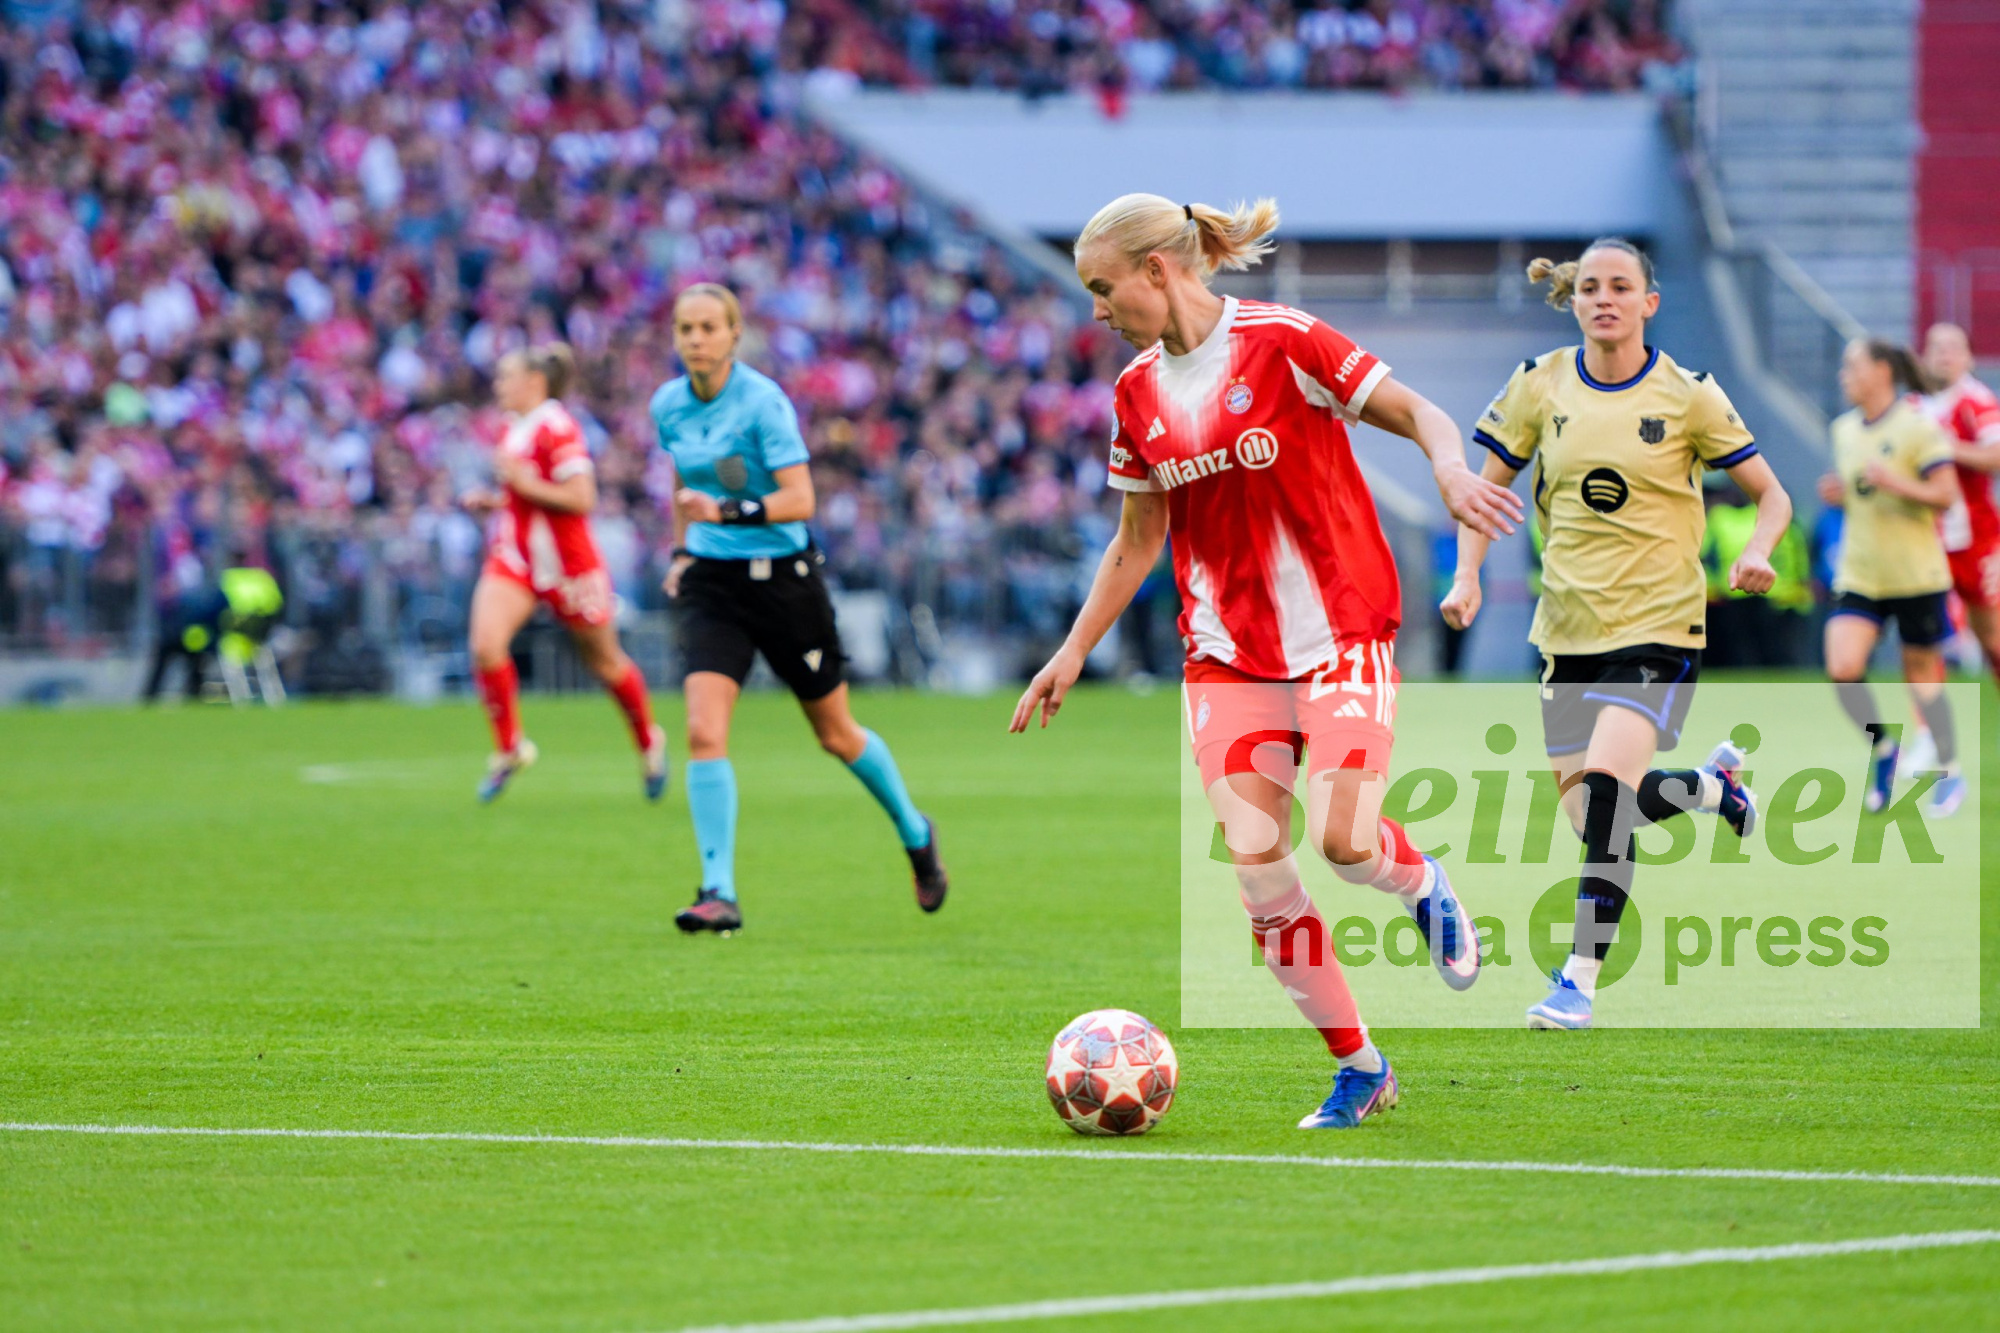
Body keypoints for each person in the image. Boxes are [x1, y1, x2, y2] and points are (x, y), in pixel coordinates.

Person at [1011, 194, 1523, 1131]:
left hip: (1340, 636)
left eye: (1102, 287)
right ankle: (1361, 1067)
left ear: (1157, 270)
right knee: (1258, 866)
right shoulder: (1135, 394)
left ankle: (1419, 879)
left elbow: (1419, 411)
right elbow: (1138, 538)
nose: (1096, 308)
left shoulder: (1284, 341)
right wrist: (1073, 650)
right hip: (1225, 659)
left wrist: (1450, 470)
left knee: (1344, 840)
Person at [1442, 237, 1792, 1032]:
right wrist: (1466, 576)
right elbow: (1483, 494)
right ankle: (1711, 788)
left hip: (1661, 626)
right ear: (1574, 300)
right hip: (1567, 632)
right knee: (1593, 815)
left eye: (1621, 287)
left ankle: (1578, 979)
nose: (1605, 298)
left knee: (1606, 795)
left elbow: (1773, 496)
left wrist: (1759, 551)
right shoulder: (1539, 383)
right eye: (1591, 287)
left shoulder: (1689, 395)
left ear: (1649, 302)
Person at [653, 284, 947, 934]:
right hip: (713, 583)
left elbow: (800, 499)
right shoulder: (667, 404)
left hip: (784, 583)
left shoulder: (762, 403)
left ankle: (915, 831)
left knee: (835, 733)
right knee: (703, 731)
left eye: (708, 327)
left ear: (734, 335)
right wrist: (681, 551)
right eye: (685, 328)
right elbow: (681, 481)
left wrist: (726, 510)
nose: (695, 338)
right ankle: (718, 891)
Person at [465, 344, 666, 803]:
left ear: (534, 382)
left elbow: (581, 497)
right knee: (485, 645)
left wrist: (523, 484)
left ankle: (649, 742)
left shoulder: (558, 427)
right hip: (517, 558)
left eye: (506, 377)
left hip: (569, 566)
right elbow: (526, 498)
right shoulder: (511, 427)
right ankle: (510, 748)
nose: (498, 385)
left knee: (604, 662)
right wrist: (497, 502)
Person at [1815, 338, 1964, 817]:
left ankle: (1949, 768)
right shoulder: (1843, 429)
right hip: (1861, 572)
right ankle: (1883, 748)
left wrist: (1894, 481)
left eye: (1851, 366)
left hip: (1915, 574)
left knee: (1922, 677)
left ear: (1881, 371)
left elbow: (1946, 496)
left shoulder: (1918, 427)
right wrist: (1842, 493)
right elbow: (1861, 490)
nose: (1843, 375)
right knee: (1842, 668)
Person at [1897, 324, 2000, 774]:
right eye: (1936, 347)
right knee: (1921, 641)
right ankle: (1928, 738)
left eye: (1954, 348)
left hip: (1975, 540)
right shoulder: (1910, 407)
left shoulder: (1977, 401)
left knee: (1992, 638)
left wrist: (1944, 448)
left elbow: (1996, 456)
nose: (1944, 355)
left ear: (1969, 358)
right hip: (1924, 538)